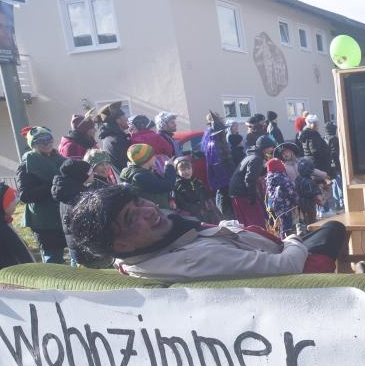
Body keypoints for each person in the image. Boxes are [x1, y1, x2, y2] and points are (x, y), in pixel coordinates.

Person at [65, 184, 346, 282]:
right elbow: (287, 266)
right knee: (333, 227)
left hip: (268, 251)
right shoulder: (193, 260)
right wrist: (292, 239)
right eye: (131, 218)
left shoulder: (136, 257)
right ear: (121, 245)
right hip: (296, 270)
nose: (148, 210)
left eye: (139, 202)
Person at [16, 126, 67, 264]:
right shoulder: (26, 165)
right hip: (43, 222)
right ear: (33, 144)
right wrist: (52, 186)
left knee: (74, 254)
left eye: (49, 139)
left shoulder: (60, 160)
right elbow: (25, 196)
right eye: (41, 140)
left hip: (62, 215)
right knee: (53, 260)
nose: (47, 143)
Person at [51, 159, 101, 267]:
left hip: (75, 246)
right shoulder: (79, 198)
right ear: (81, 176)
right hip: (86, 250)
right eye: (90, 172)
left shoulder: (67, 192)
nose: (93, 173)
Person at [228, 135, 277, 228]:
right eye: (271, 147)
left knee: (247, 222)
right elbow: (250, 179)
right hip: (242, 193)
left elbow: (255, 173)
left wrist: (267, 167)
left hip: (236, 192)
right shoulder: (256, 159)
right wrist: (253, 199)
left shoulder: (252, 156)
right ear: (265, 148)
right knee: (256, 222)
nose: (272, 149)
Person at [120, 144, 176, 210]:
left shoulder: (144, 170)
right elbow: (167, 185)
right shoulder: (140, 176)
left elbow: (160, 186)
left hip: (159, 208)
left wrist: (169, 199)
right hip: (155, 212)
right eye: (153, 155)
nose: (155, 157)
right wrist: (169, 167)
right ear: (147, 160)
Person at [201, 111, 236, 219]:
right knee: (224, 199)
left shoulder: (220, 140)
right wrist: (228, 179)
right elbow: (217, 165)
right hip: (224, 180)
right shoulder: (214, 143)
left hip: (227, 177)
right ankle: (226, 217)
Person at [172, 156, 221, 224]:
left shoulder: (198, 182)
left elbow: (206, 196)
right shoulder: (177, 186)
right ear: (177, 172)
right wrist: (196, 208)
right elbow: (181, 203)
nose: (187, 171)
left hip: (205, 212)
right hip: (191, 215)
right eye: (183, 170)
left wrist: (206, 205)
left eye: (189, 168)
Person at [264, 157, 298, 235]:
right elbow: (290, 191)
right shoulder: (282, 177)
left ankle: (282, 237)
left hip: (276, 205)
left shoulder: (269, 178)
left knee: (282, 223)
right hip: (285, 204)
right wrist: (296, 200)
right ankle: (288, 237)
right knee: (288, 223)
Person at [97, 102, 132, 172]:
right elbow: (130, 165)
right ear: (118, 120)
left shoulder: (110, 138)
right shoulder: (117, 140)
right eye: (124, 116)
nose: (127, 119)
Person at [325, 119, 343, 213]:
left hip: (329, 164)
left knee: (334, 184)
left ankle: (336, 203)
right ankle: (342, 202)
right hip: (336, 164)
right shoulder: (334, 139)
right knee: (339, 183)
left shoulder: (325, 138)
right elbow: (335, 153)